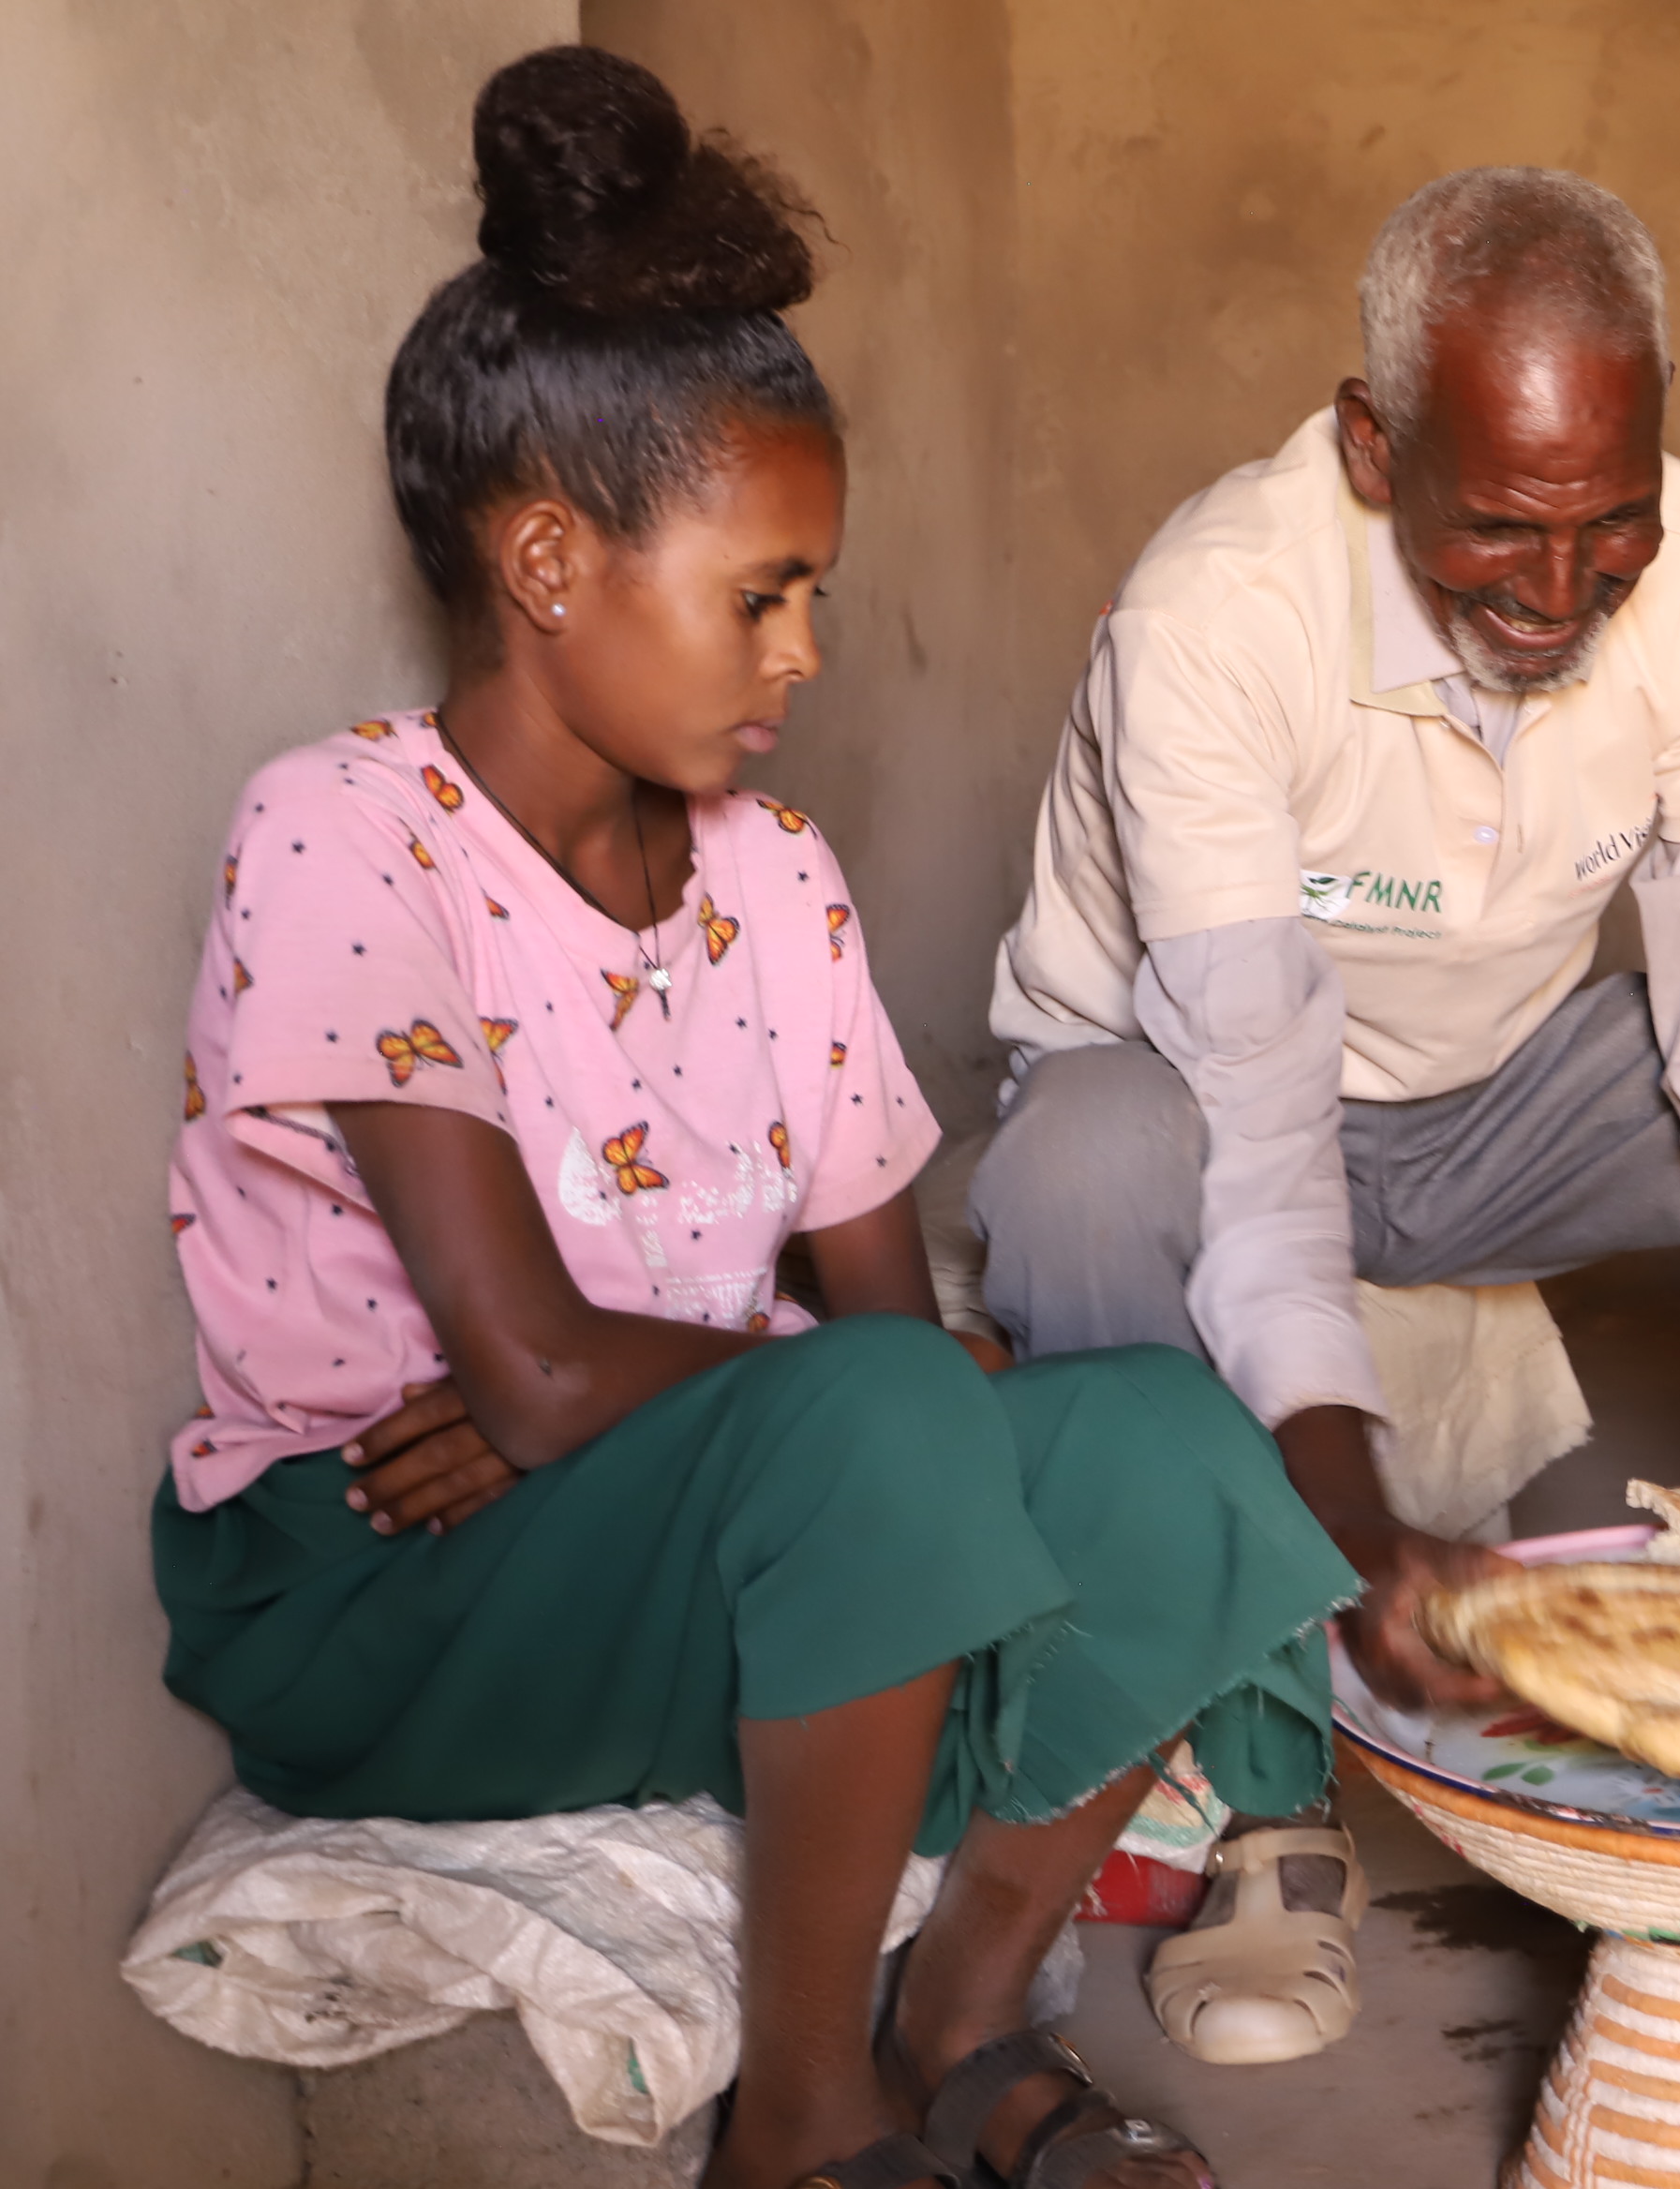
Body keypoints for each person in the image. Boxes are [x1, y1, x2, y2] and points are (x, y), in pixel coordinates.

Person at [150, 49, 1350, 2189]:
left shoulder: (774, 875)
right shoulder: (347, 837)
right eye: (759, 590)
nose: (801, 651)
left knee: (1169, 1436)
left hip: (710, 1565)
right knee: (872, 1413)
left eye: (812, 591)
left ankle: (960, 2015)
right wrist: (700, 1395)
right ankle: (799, 2112)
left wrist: (691, 1394)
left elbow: (900, 1341)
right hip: (383, 1591)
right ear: (545, 557)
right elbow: (526, 1374)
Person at [974, 177, 1680, 1800]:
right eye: (1498, 526)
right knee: (1083, 1151)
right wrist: (1354, 1532)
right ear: (1370, 446)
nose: (1558, 597)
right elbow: (1261, 1152)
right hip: (1206, 1111)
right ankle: (1221, 1784)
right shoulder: (1215, 615)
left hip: (1493, 1104)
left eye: (1610, 520)